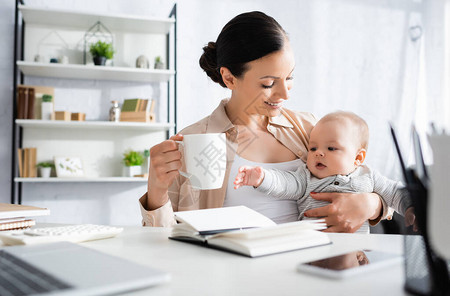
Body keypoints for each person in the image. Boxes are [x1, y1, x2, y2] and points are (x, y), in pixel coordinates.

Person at [139, 11, 391, 230]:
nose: (285, 94)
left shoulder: (309, 129)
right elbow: (164, 240)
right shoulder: (193, 140)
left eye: (289, 78)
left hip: (309, 268)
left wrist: (372, 204)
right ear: (229, 78)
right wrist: (157, 191)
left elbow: (373, 182)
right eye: (269, 83)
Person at [234, 111, 416, 233]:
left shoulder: (368, 175)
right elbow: (285, 183)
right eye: (312, 148)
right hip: (313, 246)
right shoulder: (306, 177)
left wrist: (410, 208)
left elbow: (395, 192)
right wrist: (262, 178)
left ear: (358, 158)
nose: (318, 153)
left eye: (331, 148)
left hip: (356, 250)